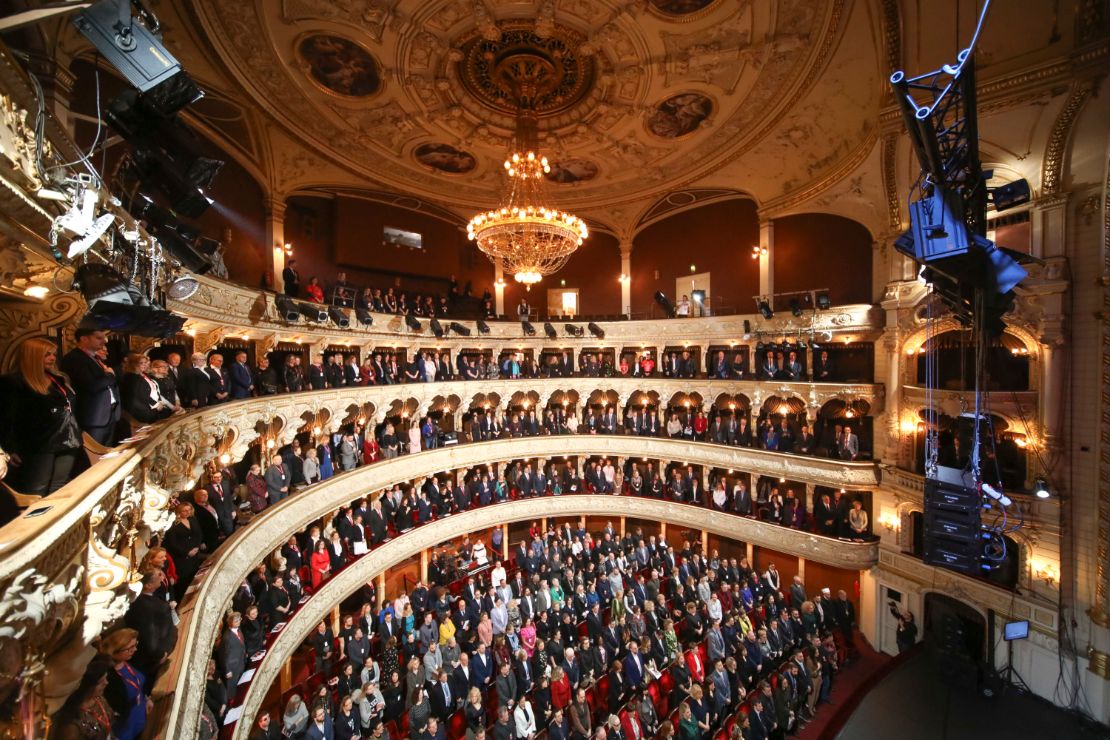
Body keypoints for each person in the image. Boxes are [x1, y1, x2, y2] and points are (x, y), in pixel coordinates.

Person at [0, 337, 82, 494]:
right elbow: (6, 418)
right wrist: (10, 448)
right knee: (37, 489)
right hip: (39, 443)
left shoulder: (57, 378)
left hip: (69, 438)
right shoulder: (14, 382)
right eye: (47, 354)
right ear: (32, 356)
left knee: (60, 487)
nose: (52, 358)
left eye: (54, 354)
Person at [59, 327, 120, 445]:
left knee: (107, 452)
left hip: (107, 414)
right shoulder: (75, 358)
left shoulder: (94, 358)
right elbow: (92, 385)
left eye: (104, 338)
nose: (104, 341)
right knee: (95, 453)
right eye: (98, 338)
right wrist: (111, 375)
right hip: (93, 417)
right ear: (84, 339)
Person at [98, 629, 150, 740]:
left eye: (135, 644)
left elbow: (138, 686)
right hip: (125, 732)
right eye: (130, 648)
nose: (135, 649)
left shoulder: (131, 660)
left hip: (142, 721)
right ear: (115, 651)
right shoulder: (109, 678)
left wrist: (146, 699)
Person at [51, 655, 115, 739]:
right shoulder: (71, 725)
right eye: (100, 682)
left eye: (106, 678)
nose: (106, 683)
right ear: (87, 686)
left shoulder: (99, 699)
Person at [120, 353, 174, 424]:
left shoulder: (143, 374)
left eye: (145, 362)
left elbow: (154, 389)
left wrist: (159, 402)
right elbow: (140, 394)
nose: (144, 365)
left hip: (153, 409)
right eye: (141, 363)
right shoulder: (130, 377)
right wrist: (156, 404)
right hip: (142, 411)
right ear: (133, 364)